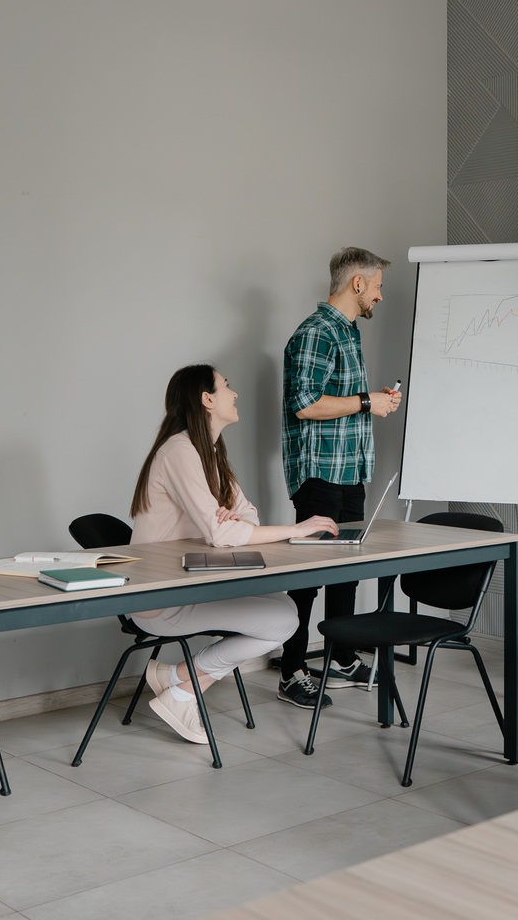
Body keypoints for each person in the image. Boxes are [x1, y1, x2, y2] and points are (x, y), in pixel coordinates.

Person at [129, 364, 338, 745]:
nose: (235, 393)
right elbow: (225, 532)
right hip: (159, 599)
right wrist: (295, 528)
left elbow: (248, 517)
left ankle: (178, 678)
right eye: (227, 386)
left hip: (189, 586)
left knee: (283, 608)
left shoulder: (208, 451)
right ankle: (183, 689)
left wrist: (230, 523)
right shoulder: (180, 451)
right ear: (207, 399)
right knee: (282, 621)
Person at [276, 246, 401, 708]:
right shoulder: (316, 333)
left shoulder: (346, 332)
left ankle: (341, 657)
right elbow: (305, 404)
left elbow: (337, 401)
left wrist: (372, 400)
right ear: (357, 284)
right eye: (379, 287)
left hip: (349, 472)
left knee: (345, 570)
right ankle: (291, 670)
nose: (381, 297)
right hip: (320, 475)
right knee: (309, 576)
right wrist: (368, 401)